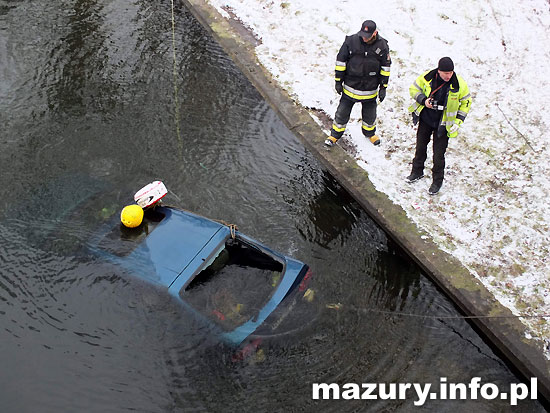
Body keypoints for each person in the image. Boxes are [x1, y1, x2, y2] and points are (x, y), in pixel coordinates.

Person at [406, 57, 472, 195]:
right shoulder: (428, 77)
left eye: (451, 73)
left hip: (443, 124)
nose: (448, 76)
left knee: (438, 155)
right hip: (426, 118)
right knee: (420, 147)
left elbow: (466, 103)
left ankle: (437, 181)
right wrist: (424, 101)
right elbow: (413, 89)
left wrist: (458, 121)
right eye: (445, 73)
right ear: (439, 71)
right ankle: (417, 171)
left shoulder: (459, 84)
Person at [325, 20, 391, 147]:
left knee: (370, 115)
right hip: (350, 86)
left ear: (375, 33)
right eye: (363, 35)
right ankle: (335, 135)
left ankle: (370, 133)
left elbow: (386, 67)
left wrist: (383, 87)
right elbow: (341, 61)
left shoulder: (382, 45)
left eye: (367, 36)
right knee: (342, 113)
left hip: (370, 89)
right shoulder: (351, 41)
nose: (364, 38)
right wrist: (338, 81)